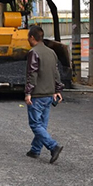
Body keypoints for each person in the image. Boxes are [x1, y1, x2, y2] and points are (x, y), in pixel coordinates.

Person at [25, 25, 64, 163]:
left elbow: (32, 73)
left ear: (32, 37)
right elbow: (56, 72)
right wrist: (58, 90)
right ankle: (35, 150)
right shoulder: (52, 52)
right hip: (49, 94)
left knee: (35, 124)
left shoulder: (33, 52)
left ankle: (53, 146)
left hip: (37, 94)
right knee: (42, 124)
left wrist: (28, 92)